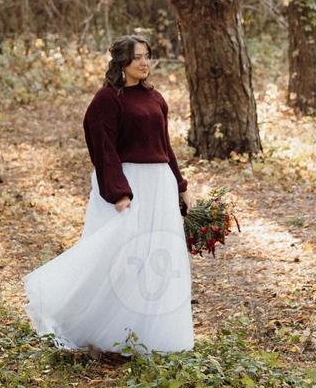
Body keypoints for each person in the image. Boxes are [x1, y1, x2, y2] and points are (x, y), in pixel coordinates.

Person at [23, 35, 195, 362]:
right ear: (121, 63)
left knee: (155, 257)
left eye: (147, 57)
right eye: (137, 58)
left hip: (158, 184)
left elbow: (165, 147)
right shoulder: (107, 100)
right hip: (129, 184)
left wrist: (180, 185)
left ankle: (151, 332)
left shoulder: (155, 98)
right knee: (121, 258)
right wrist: (119, 192)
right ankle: (103, 327)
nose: (145, 63)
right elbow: (104, 148)